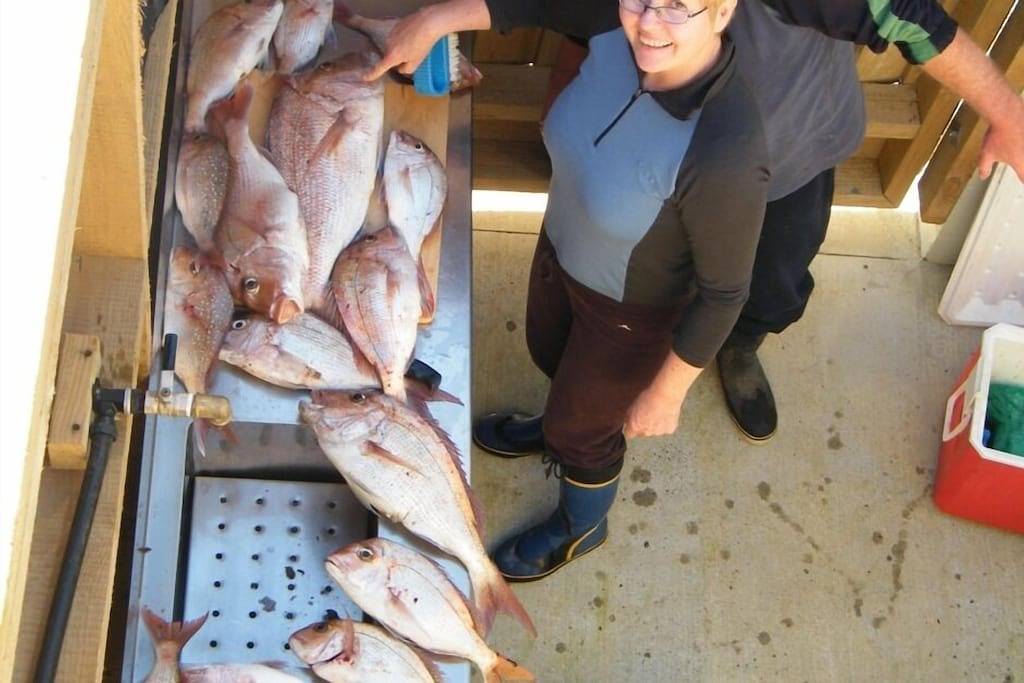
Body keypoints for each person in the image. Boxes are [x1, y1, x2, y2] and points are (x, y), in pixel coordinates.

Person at [366, 0, 1024, 581]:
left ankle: (591, 504)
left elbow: (911, 16)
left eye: (677, 4)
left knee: (760, 293)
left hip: (767, 168)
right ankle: (565, 422)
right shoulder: (619, 17)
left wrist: (669, 387)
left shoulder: (726, 145)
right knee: (559, 355)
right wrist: (431, 20)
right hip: (600, 231)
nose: (648, 21)